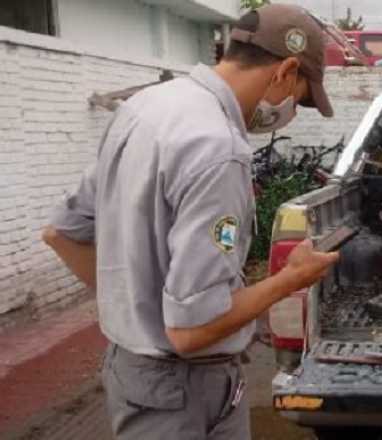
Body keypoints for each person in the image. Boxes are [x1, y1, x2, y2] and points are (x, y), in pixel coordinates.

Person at [41, 4, 339, 439]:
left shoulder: (145, 108)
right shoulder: (217, 147)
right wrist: (290, 279)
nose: (292, 111)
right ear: (286, 70)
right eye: (301, 98)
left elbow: (61, 233)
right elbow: (192, 329)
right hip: (183, 392)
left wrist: (136, 307)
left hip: (132, 373)